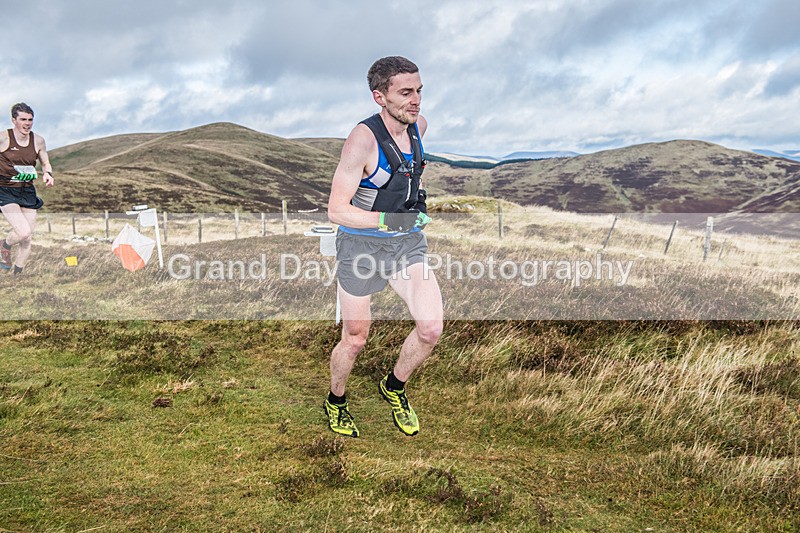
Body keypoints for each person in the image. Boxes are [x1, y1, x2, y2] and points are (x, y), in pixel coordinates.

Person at [325, 56, 443, 438]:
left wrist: (412, 213)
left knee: (430, 329)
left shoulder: (419, 128)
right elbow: (336, 211)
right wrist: (389, 220)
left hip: (406, 245)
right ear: (379, 96)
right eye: (405, 92)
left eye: (419, 91)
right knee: (356, 338)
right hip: (360, 246)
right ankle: (336, 400)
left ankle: (393, 386)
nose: (416, 100)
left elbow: (406, 179)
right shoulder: (362, 140)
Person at [0, 103, 54, 273]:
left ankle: (17, 275)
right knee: (23, 232)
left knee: (27, 237)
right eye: (23, 119)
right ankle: (5, 245)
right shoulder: (3, 138)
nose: (27, 123)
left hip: (27, 190)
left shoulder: (38, 140)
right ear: (14, 120)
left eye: (30, 120)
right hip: (5, 189)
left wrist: (48, 174)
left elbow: (45, 162)